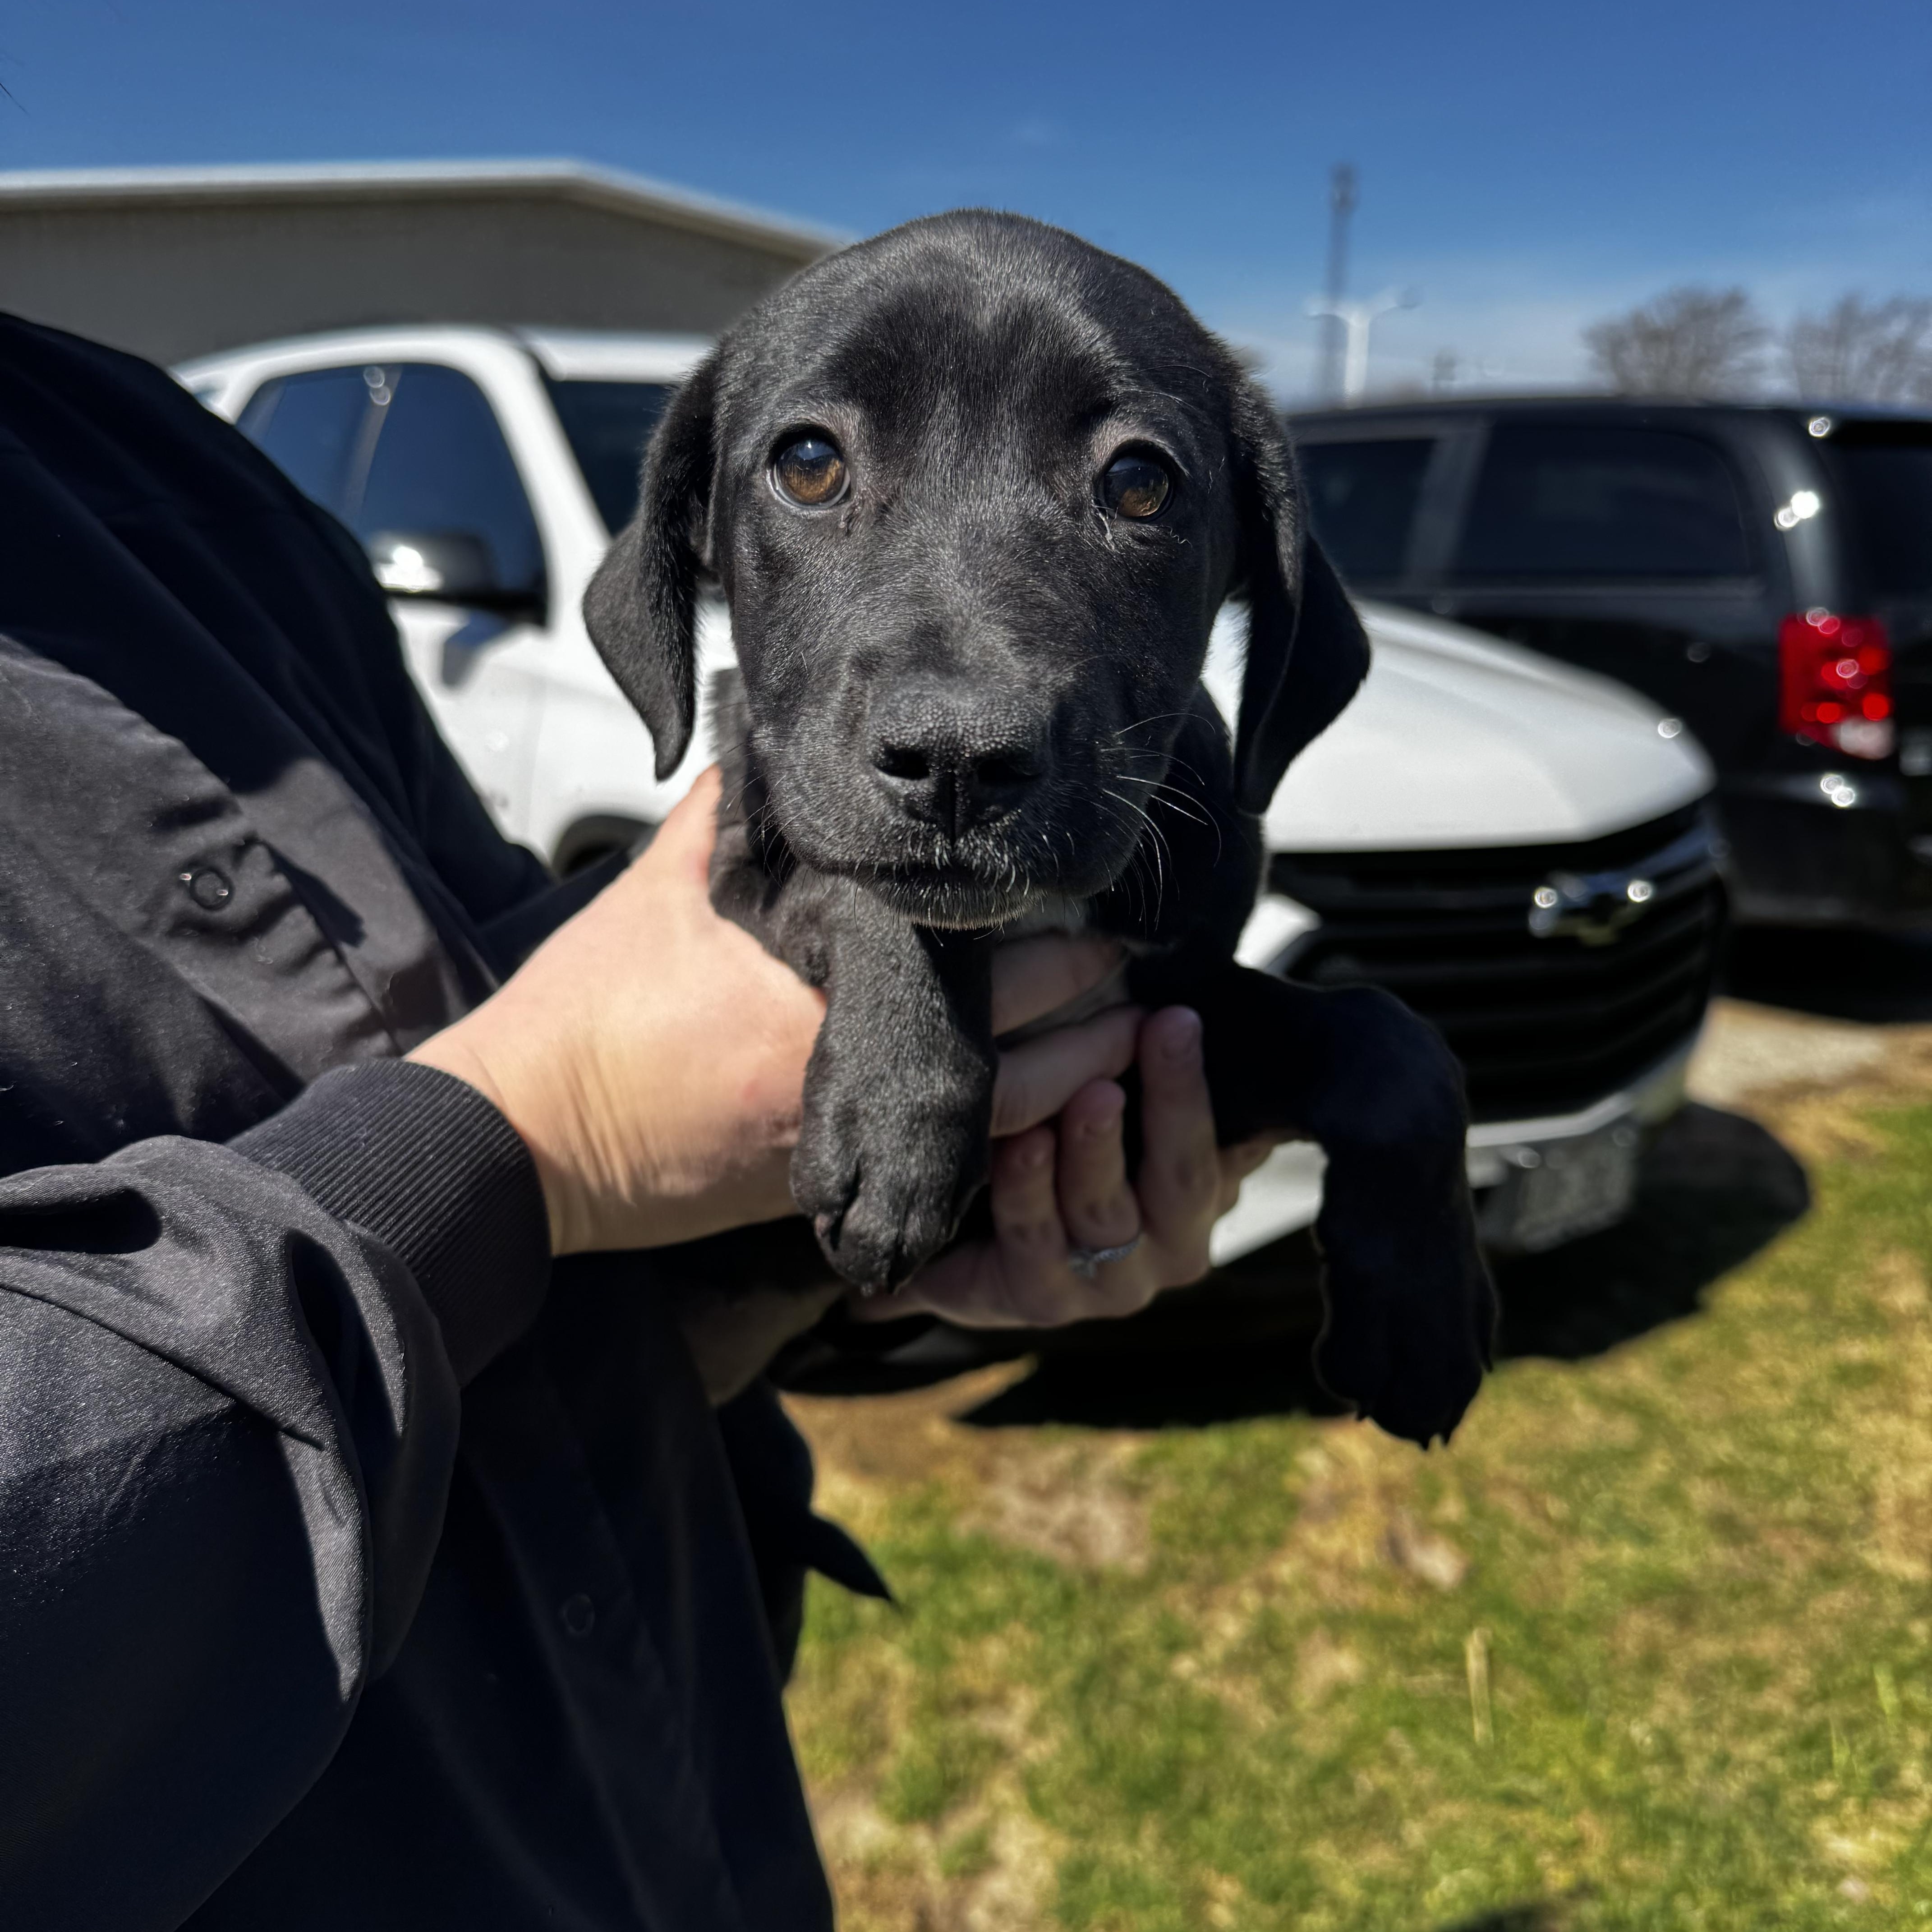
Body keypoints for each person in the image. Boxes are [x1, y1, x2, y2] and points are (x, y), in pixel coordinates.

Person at [0, 312, 1277, 1932]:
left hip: (676, 1794)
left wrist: (863, 1269)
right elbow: (559, 1082)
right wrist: (533, 1137)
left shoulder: (140, 445)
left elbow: (548, 1008)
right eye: (813, 464)